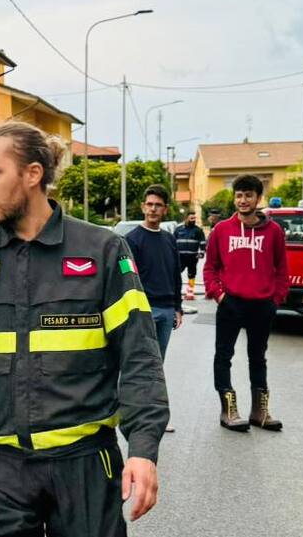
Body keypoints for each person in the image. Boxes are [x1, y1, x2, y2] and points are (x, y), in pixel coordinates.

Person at [0, 121, 168, 536]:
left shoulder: (101, 250)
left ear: (33, 174)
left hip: (84, 465)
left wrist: (143, 449)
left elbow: (139, 356)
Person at [203, 174, 289, 433]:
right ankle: (229, 410)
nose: (243, 200)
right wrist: (219, 295)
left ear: (258, 199)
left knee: (258, 357)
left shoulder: (274, 231)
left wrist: (276, 299)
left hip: (262, 304)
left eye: (248, 195)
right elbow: (210, 268)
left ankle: (260, 411)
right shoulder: (221, 230)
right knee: (223, 356)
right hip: (231, 303)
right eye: (239, 195)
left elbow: (282, 270)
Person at [125, 185, 183, 434]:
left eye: (158, 205)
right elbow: (127, 278)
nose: (153, 209)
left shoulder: (169, 239)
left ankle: (156, 416)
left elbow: (175, 275)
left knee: (158, 366)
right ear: (142, 207)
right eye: (149, 204)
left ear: (165, 209)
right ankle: (134, 413)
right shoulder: (132, 240)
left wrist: (178, 308)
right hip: (143, 311)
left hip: (167, 310)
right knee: (140, 364)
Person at [173, 211, 207, 301]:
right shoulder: (178, 230)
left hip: (192, 257)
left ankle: (190, 292)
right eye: (191, 218)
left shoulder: (198, 230)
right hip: (180, 257)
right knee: (176, 273)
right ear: (186, 218)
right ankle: (175, 291)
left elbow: (203, 242)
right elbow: (172, 242)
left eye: (194, 218)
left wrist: (202, 252)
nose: (193, 220)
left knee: (191, 274)